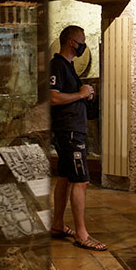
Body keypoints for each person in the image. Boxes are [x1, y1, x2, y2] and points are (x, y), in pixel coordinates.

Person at [49, 25, 107, 251]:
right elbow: (53, 98)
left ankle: (57, 224)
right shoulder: (58, 65)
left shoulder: (68, 67)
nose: (84, 44)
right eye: (81, 40)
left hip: (71, 130)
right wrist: (81, 94)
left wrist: (84, 94)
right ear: (72, 42)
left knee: (65, 177)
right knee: (81, 181)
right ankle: (82, 234)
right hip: (69, 132)